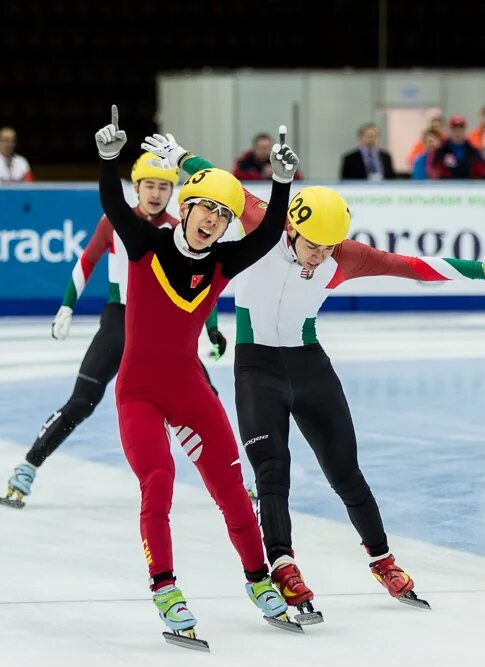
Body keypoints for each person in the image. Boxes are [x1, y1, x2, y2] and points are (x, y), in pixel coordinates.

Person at [143, 131, 485, 621]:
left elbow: (417, 266)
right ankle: (284, 565)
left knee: (346, 473)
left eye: (329, 248)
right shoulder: (261, 224)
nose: (320, 257)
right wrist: (182, 158)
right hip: (256, 367)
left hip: (308, 364)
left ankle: (382, 559)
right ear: (292, 228)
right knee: (272, 474)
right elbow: (224, 186)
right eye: (313, 246)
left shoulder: (345, 256)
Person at [95, 107, 300, 647]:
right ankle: (164, 586)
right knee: (158, 480)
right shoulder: (145, 244)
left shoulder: (223, 262)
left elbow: (273, 231)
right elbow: (115, 204)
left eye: (221, 215)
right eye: (204, 207)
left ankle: (258, 579)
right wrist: (108, 160)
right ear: (185, 208)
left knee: (232, 487)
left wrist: (280, 185)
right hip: (138, 392)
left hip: (188, 390)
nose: (211, 219)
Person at [0, 153, 227, 507]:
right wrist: (67, 305)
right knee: (82, 401)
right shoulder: (115, 221)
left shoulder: (176, 231)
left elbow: (201, 286)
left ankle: (232, 479)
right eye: (149, 185)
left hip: (161, 326)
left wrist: (211, 328)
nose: (155, 193)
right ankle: (28, 466)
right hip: (119, 320)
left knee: (206, 400)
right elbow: (87, 260)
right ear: (135, 188)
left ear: (173, 192)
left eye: (163, 186)